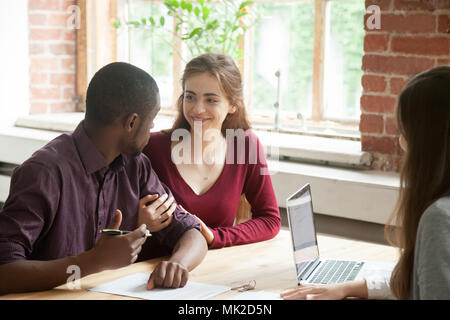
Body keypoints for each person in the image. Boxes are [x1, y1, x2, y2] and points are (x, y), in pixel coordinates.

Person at [0, 62, 207, 294]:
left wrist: (178, 264)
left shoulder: (136, 165)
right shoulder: (43, 172)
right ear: (132, 123)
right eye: (152, 119)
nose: (153, 128)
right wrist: (94, 261)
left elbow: (191, 233)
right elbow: (5, 272)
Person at [280, 66, 450, 300]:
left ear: (427, 142)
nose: (401, 143)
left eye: (405, 132)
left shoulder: (440, 218)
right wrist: (349, 287)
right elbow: (424, 279)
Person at [142, 53, 281, 249]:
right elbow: (114, 217)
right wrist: (139, 221)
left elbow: (270, 220)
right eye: (190, 97)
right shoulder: (151, 147)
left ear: (233, 105)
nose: (197, 109)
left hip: (215, 270)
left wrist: (217, 237)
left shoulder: (244, 146)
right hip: (157, 269)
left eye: (211, 100)